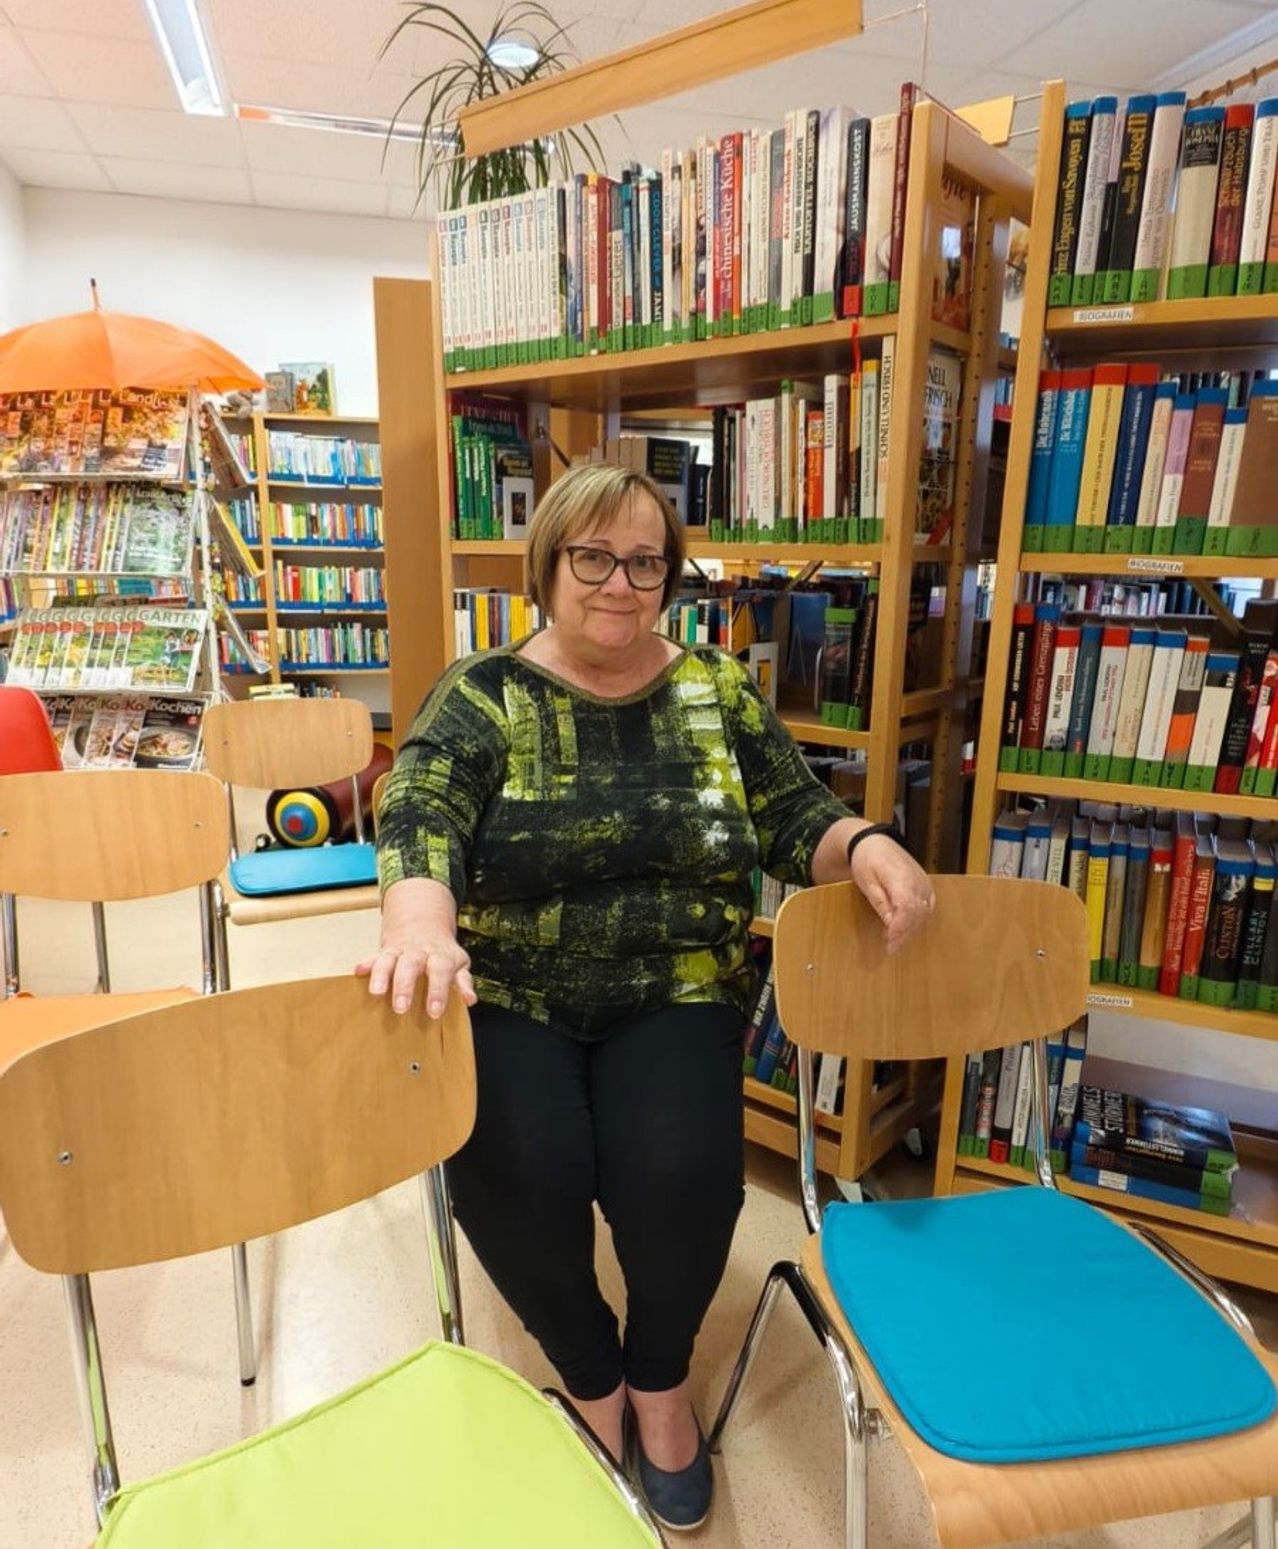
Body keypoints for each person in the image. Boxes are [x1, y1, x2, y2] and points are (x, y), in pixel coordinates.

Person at [361, 462, 935, 1531]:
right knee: (522, 1167)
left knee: (685, 1173)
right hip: (514, 988)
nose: (619, 584)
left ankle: (661, 1379)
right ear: (549, 564)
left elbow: (791, 810)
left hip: (677, 983)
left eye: (644, 561)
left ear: (670, 575)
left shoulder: (716, 687)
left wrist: (863, 844)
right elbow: (422, 811)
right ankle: (591, 1375)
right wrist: (419, 922)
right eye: (593, 557)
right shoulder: (483, 692)